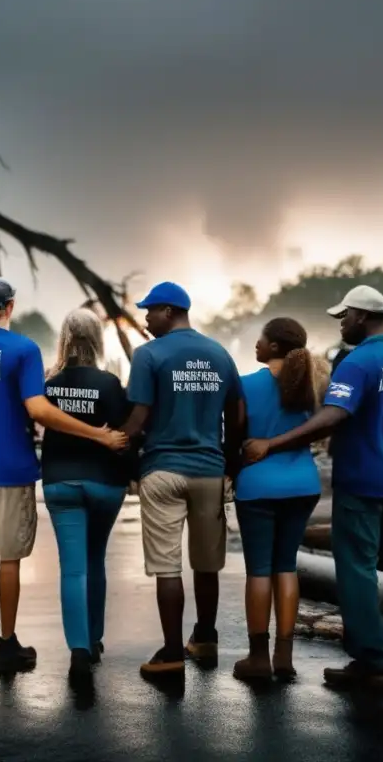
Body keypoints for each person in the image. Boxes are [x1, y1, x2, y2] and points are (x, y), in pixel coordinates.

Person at [242, 285, 383, 691]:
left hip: (362, 480)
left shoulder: (358, 362)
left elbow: (332, 416)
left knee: (358, 569)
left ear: (362, 316)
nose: (342, 323)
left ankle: (370, 660)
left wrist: (272, 443)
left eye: (344, 316)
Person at [0, 278, 128, 675]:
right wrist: (98, 434)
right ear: (10, 307)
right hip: (10, 467)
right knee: (9, 558)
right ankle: (7, 644)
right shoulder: (22, 350)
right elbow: (38, 410)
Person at [122, 281, 245, 678]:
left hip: (162, 470)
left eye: (150, 310)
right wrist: (230, 463)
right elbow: (238, 414)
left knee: (168, 566)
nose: (145, 318)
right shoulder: (219, 353)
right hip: (209, 471)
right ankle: (205, 640)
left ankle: (172, 652)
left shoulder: (149, 355)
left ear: (170, 310)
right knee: (207, 565)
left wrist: (123, 457)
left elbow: (138, 419)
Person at [41, 308, 133, 683]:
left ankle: (79, 649)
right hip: (104, 483)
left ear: (64, 338)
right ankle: (95, 639)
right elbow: (124, 434)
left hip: (61, 482)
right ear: (97, 340)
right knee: (96, 559)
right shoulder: (109, 383)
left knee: (73, 568)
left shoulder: (49, 383)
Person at [231, 317, 322, 682]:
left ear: (273, 347)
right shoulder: (312, 384)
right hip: (303, 484)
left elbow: (236, 433)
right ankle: (284, 656)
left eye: (261, 339)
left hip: (257, 486)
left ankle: (258, 657)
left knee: (259, 570)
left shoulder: (246, 384)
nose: (256, 344)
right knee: (286, 565)